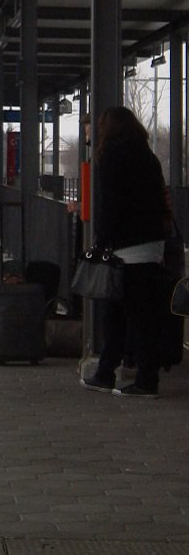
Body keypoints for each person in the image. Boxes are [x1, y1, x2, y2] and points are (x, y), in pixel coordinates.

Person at [81, 106, 171, 398]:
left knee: (127, 316)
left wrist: (101, 240)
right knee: (126, 313)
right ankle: (108, 372)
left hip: (125, 249)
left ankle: (143, 381)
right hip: (153, 244)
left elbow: (110, 204)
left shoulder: (111, 158)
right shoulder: (149, 158)